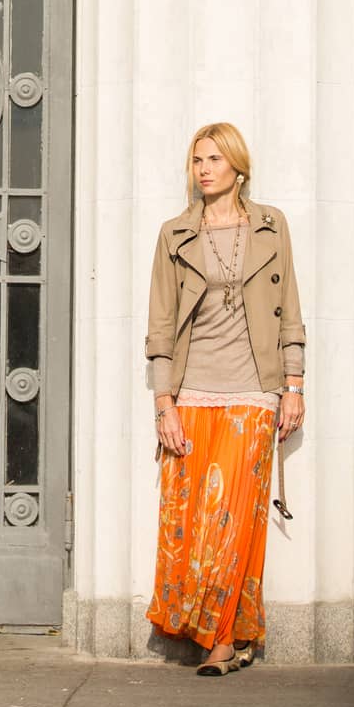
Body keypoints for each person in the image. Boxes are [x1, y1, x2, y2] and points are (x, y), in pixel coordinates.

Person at [144, 123, 306, 675]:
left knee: (231, 520)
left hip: (254, 392)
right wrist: (163, 403)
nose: (204, 168)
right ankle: (235, 637)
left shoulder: (270, 225)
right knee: (189, 521)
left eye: (214, 158)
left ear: (238, 166)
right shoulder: (174, 234)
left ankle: (217, 641)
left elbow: (291, 310)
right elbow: (161, 324)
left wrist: (294, 387)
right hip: (190, 391)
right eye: (196, 160)